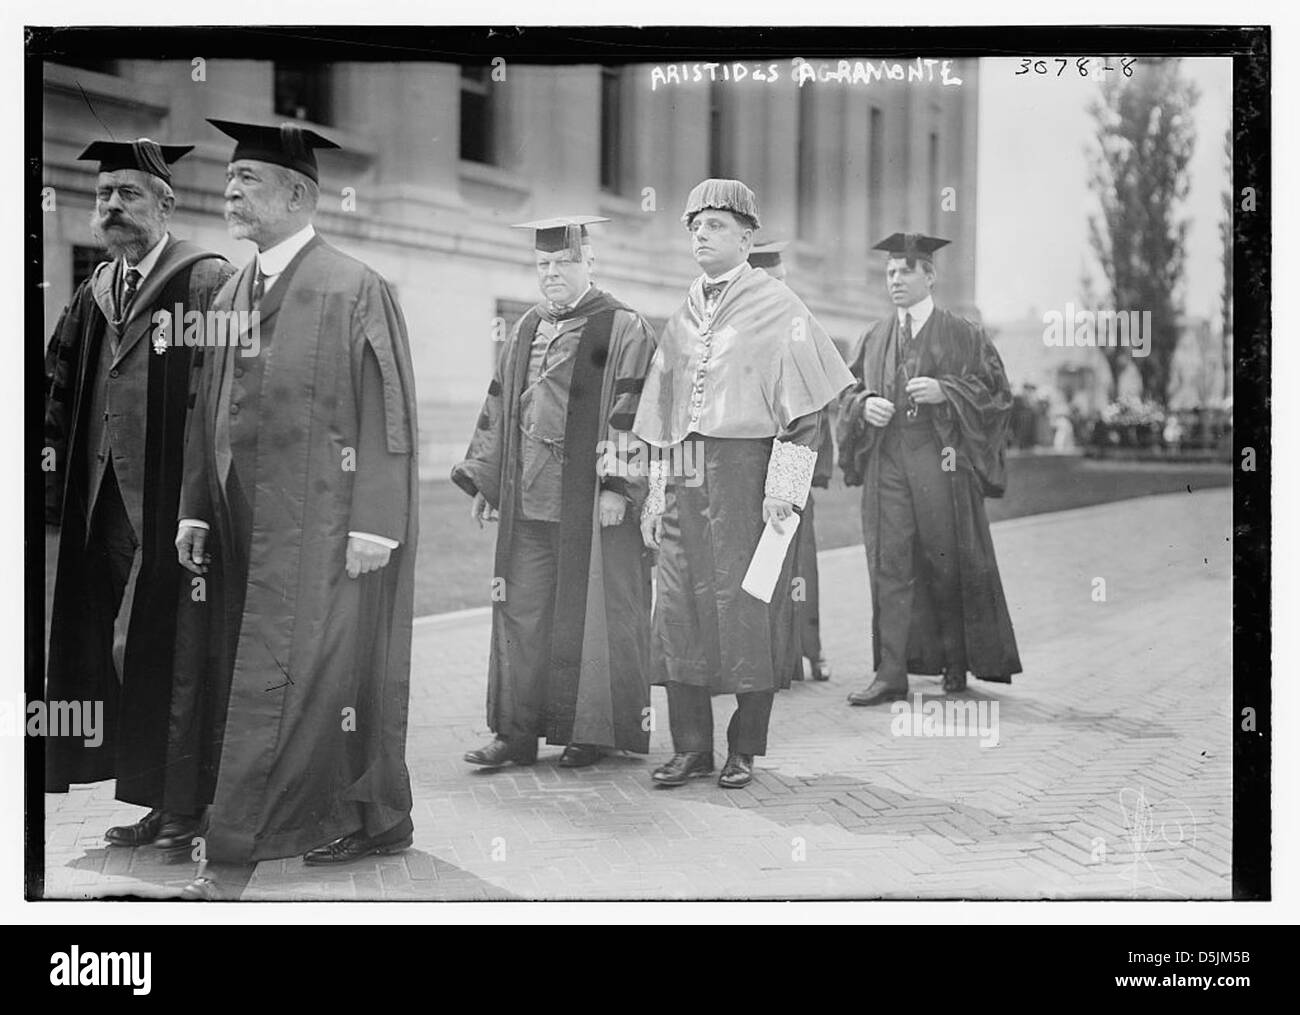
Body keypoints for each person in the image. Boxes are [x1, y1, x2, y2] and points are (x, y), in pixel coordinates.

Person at [170, 119, 420, 897]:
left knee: (334, 674)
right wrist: (196, 508)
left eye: (248, 178)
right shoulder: (233, 287)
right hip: (246, 522)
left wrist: (377, 522)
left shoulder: (353, 285)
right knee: (264, 672)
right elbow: (205, 406)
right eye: (231, 177)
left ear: (299, 195)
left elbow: (388, 413)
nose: (231, 189)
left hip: (327, 523)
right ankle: (315, 812)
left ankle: (338, 816)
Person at [43, 138, 235, 852]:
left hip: (172, 503)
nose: (113, 206)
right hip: (101, 501)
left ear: (166, 203)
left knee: (177, 651)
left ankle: (192, 803)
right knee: (115, 648)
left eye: (129, 193)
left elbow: (226, 400)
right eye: (103, 195)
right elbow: (55, 391)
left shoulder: (205, 278)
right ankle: (155, 797)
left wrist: (204, 502)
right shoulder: (97, 288)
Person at [635, 180, 853, 789]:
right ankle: (690, 748)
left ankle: (745, 748)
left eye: (715, 226)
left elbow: (807, 418)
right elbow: (664, 420)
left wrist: (783, 491)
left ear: (746, 237)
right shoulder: (681, 316)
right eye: (694, 226)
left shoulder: (779, 307)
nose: (700, 235)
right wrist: (656, 495)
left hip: (747, 478)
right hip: (685, 477)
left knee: (745, 608)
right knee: (678, 609)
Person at [452, 216, 657, 770]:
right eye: (543, 264)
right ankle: (516, 734)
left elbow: (633, 411)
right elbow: (500, 404)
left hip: (589, 501)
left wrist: (618, 484)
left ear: (589, 263)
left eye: (563, 263)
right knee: (522, 613)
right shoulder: (525, 327)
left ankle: (590, 732)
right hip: (528, 500)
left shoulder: (623, 327)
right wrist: (489, 481)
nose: (551, 273)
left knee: (588, 616)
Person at [838, 232, 1021, 706]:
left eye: (905, 271)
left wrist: (948, 393)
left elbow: (998, 394)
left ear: (930, 275)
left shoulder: (962, 333)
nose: (895, 279)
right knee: (889, 564)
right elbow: (845, 390)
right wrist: (865, 404)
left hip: (942, 461)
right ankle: (890, 672)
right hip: (888, 461)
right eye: (890, 272)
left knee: (947, 560)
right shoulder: (874, 336)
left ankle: (955, 663)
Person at [748, 240, 833, 683]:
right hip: (748, 470)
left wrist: (799, 477)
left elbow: (816, 408)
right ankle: (775, 659)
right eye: (773, 283)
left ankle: (810, 650)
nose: (782, 291)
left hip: (790, 470)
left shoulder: (799, 331)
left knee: (801, 566)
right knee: (760, 569)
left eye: (784, 282)